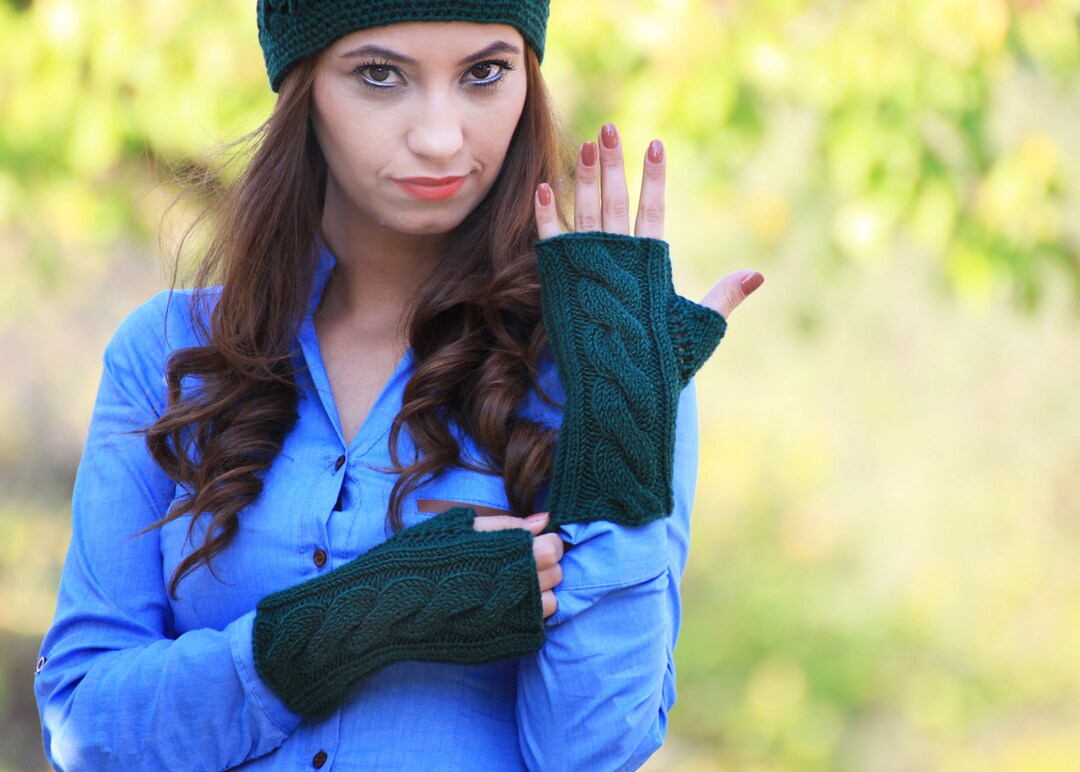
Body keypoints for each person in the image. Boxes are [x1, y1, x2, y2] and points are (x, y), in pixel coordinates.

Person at [34, 2, 763, 770]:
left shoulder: (608, 363)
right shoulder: (167, 353)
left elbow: (591, 751)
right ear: (303, 84)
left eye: (485, 73)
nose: (442, 138)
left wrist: (623, 417)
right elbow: (85, 728)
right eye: (380, 75)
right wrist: (358, 617)